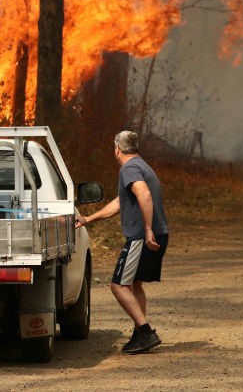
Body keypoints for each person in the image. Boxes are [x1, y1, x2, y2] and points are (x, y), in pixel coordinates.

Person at [75, 130, 169, 354]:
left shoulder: (129, 168)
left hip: (142, 236)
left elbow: (144, 195)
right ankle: (140, 333)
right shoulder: (142, 166)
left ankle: (145, 332)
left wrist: (147, 230)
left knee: (118, 285)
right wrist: (89, 218)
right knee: (134, 283)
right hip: (159, 233)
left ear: (117, 148)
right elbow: (120, 203)